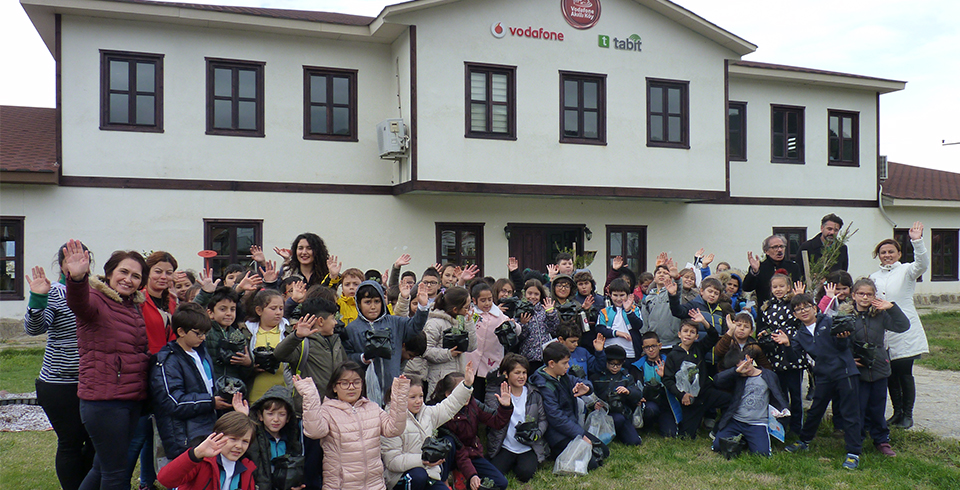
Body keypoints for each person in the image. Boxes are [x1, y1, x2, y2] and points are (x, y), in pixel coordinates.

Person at [63, 240, 150, 490]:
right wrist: (77, 280)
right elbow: (78, 303)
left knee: (102, 468)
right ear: (110, 273)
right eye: (123, 272)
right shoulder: (96, 299)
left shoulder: (131, 306)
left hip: (129, 399)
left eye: (135, 276)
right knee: (115, 473)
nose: (128, 279)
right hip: (104, 402)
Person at [24, 243, 95, 490]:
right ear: (62, 266)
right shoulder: (54, 292)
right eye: (69, 259)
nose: (75, 263)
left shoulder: (96, 292)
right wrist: (37, 298)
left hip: (94, 380)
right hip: (60, 384)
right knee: (70, 443)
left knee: (97, 442)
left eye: (81, 258)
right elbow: (35, 329)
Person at [776, 294, 864, 470]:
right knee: (816, 410)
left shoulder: (829, 322)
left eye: (806, 306)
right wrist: (786, 345)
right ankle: (804, 440)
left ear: (815, 308)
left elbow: (843, 347)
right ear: (795, 314)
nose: (803, 311)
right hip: (823, 376)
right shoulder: (799, 334)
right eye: (798, 309)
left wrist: (842, 338)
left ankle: (853, 452)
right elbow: (794, 358)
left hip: (844, 373)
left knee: (849, 412)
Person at [294, 362, 410, 490]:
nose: (351, 387)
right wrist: (310, 395)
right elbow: (314, 431)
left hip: (375, 485)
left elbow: (394, 429)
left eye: (356, 382)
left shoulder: (372, 407)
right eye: (344, 383)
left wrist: (400, 392)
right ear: (334, 387)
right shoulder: (327, 411)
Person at [869, 221, 928, 429]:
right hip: (884, 332)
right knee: (890, 374)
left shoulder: (907, 271)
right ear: (879, 256)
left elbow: (922, 264)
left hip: (905, 329)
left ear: (899, 254)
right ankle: (897, 413)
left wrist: (917, 241)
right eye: (883, 252)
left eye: (891, 251)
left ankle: (908, 414)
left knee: (904, 372)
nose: (887, 255)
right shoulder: (874, 277)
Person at [150, 303, 223, 460]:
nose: (203, 338)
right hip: (183, 436)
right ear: (181, 331)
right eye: (198, 333)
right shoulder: (168, 360)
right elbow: (174, 402)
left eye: (205, 333)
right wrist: (211, 402)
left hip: (207, 427)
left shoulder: (201, 352)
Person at [382, 368, 474, 490]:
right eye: (413, 397)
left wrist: (466, 385)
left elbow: (449, 406)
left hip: (429, 474)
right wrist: (424, 460)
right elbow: (392, 461)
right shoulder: (390, 421)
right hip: (401, 477)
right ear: (400, 398)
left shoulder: (427, 413)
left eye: (421, 396)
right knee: (419, 476)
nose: (418, 401)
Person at [848, 277, 910, 457]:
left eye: (869, 294)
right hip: (857, 368)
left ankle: (881, 440)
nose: (865, 297)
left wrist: (892, 307)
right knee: (858, 407)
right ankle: (856, 440)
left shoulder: (881, 315)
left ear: (875, 296)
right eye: (861, 294)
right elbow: (838, 342)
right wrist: (848, 359)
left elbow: (903, 325)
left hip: (879, 367)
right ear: (854, 295)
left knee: (877, 406)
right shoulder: (846, 315)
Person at [343, 281, 429, 404]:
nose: (373, 307)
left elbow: (415, 327)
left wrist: (423, 307)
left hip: (392, 391)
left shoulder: (395, 323)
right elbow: (347, 356)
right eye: (367, 302)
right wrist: (363, 358)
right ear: (359, 304)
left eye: (377, 301)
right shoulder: (351, 329)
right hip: (365, 392)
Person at [435, 370, 513, 490]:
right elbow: (459, 450)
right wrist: (472, 474)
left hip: (471, 452)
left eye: (468, 389)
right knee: (448, 442)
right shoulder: (441, 413)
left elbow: (496, 421)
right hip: (453, 455)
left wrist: (505, 407)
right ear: (448, 394)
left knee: (501, 483)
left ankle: (462, 478)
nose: (466, 394)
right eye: (461, 391)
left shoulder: (473, 404)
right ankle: (444, 481)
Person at [711, 345, 789, 457]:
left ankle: (747, 440)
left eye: (745, 365)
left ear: (749, 358)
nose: (745, 370)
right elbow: (717, 381)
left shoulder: (769, 375)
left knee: (762, 454)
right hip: (736, 420)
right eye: (741, 369)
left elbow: (779, 395)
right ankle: (741, 439)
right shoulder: (738, 377)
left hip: (757, 423)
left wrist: (782, 411)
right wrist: (735, 371)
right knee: (718, 446)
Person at [755, 274, 807, 436]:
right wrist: (764, 333)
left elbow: (806, 319)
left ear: (788, 287)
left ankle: (797, 427)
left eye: (781, 286)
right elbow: (763, 325)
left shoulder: (794, 304)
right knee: (780, 393)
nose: (778, 290)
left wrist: (800, 298)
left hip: (792, 354)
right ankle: (781, 425)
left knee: (795, 394)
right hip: (774, 356)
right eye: (775, 287)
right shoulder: (767, 307)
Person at [662, 315, 730, 439]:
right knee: (687, 436)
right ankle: (695, 422)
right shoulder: (672, 355)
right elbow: (667, 379)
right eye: (685, 331)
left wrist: (704, 321)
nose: (688, 334)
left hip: (706, 393)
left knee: (731, 401)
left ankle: (719, 428)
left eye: (692, 332)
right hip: (690, 399)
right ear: (679, 334)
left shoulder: (699, 348)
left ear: (697, 336)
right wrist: (681, 395)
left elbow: (713, 336)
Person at [485, 354, 548, 483]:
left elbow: (543, 419)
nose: (522, 376)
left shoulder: (533, 393)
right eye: (517, 372)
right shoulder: (498, 394)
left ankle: (521, 462)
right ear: (506, 374)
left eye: (524, 372)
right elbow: (490, 413)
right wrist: (492, 390)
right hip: (506, 446)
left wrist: (537, 433)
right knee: (495, 473)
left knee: (525, 474)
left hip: (527, 446)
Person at [156, 412, 258, 490]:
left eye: (245, 441)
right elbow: (165, 480)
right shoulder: (202, 461)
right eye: (233, 439)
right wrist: (195, 454)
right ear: (217, 436)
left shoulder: (247, 469)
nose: (239, 446)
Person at [529, 342, 594, 458]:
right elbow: (556, 418)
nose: (568, 366)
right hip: (556, 435)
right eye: (564, 363)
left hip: (571, 427)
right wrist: (580, 434)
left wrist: (586, 387)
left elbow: (578, 380)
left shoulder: (561, 376)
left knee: (602, 450)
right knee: (591, 460)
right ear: (552, 364)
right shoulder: (544, 386)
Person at [234, 385, 304, 490]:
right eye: (270, 414)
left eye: (282, 414)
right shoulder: (254, 439)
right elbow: (241, 439)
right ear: (260, 416)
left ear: (288, 417)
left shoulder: (292, 441)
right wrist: (243, 417)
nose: (276, 419)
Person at [463, 282, 515, 399]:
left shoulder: (498, 314)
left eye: (489, 299)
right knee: (471, 393)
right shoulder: (471, 314)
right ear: (474, 300)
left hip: (491, 361)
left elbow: (514, 328)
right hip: (472, 360)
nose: (487, 303)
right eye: (483, 300)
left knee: (489, 394)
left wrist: (514, 325)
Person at [423, 287, 477, 396]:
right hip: (440, 380)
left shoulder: (460, 322)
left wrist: (469, 323)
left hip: (458, 377)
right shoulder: (434, 323)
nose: (469, 310)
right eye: (466, 307)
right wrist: (448, 354)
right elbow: (426, 351)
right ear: (455, 309)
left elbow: (471, 347)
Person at [200, 286, 255, 391]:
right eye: (222, 309)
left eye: (232, 309)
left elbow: (245, 373)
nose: (229, 313)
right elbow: (191, 316)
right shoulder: (206, 332)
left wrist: (248, 363)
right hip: (211, 388)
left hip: (233, 389)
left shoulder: (238, 335)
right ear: (210, 313)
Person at [589, 345, 644, 446]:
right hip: (604, 414)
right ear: (605, 362)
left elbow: (638, 393)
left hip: (622, 412)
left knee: (634, 442)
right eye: (611, 364)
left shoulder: (626, 376)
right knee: (617, 419)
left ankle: (619, 433)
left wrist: (628, 391)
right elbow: (590, 395)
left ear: (623, 363)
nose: (615, 367)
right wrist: (594, 404)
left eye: (618, 365)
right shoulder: (596, 377)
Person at [245, 289, 290, 401]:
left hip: (283, 391)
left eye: (281, 308)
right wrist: (250, 367)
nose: (278, 312)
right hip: (255, 392)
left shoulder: (289, 331)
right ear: (259, 311)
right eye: (273, 308)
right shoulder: (246, 332)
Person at [629, 332, 677, 437]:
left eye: (653, 346)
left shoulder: (670, 362)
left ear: (660, 346)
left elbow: (676, 384)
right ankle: (648, 426)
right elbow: (633, 386)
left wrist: (665, 376)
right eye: (647, 347)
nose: (650, 350)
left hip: (666, 403)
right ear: (643, 348)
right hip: (649, 402)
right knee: (650, 410)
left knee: (670, 434)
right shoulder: (637, 366)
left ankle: (664, 423)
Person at [743, 234, 802, 307]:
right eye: (775, 247)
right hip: (766, 311)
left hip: (788, 310)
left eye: (781, 246)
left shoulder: (793, 267)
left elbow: (798, 288)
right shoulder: (760, 267)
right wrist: (755, 272)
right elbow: (747, 288)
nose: (779, 250)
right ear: (766, 251)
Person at [596, 278, 644, 363]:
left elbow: (638, 325)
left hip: (630, 353)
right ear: (610, 295)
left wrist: (628, 311)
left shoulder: (634, 309)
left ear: (628, 295)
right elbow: (600, 329)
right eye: (615, 295)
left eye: (622, 295)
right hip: (609, 351)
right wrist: (617, 333)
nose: (618, 299)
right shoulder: (605, 311)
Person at [516, 279, 559, 370]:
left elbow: (554, 329)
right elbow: (520, 337)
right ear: (525, 294)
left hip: (546, 355)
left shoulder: (544, 310)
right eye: (530, 293)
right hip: (528, 356)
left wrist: (550, 313)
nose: (532, 297)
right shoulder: (520, 310)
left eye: (536, 294)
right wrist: (523, 324)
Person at [640, 264, 682, 354]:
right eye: (659, 273)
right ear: (654, 279)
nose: (662, 275)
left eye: (665, 273)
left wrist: (677, 278)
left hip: (672, 342)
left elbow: (679, 289)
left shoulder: (672, 293)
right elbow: (645, 322)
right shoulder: (648, 298)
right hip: (654, 344)